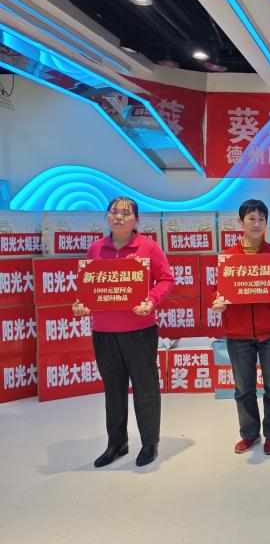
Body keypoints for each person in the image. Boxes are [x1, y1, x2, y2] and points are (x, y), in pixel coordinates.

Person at [73, 197, 175, 468]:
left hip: (139, 331)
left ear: (136, 219)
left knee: (145, 388)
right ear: (107, 216)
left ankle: (150, 443)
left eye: (126, 213)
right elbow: (88, 286)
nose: (118, 217)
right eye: (114, 212)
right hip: (104, 331)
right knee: (113, 390)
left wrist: (151, 300)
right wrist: (82, 304)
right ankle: (116, 443)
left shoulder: (148, 247)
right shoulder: (96, 249)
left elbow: (166, 279)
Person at [212, 199, 270, 455]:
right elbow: (218, 289)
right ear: (240, 222)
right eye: (251, 218)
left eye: (262, 219)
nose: (257, 224)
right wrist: (218, 301)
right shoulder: (228, 257)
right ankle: (249, 434)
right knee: (243, 388)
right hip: (238, 332)